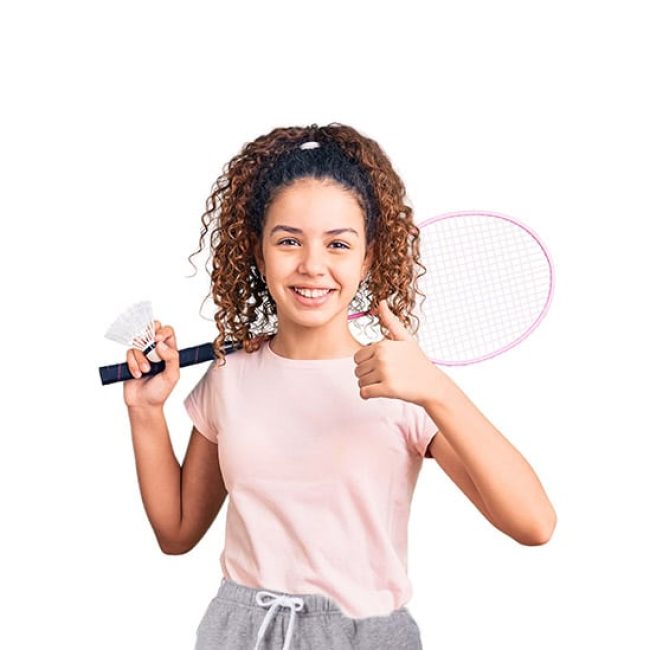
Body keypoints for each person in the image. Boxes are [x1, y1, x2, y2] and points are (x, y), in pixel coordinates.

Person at [123, 122, 557, 649]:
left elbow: (534, 524)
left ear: (367, 257)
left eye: (338, 244)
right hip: (241, 632)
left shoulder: (403, 384)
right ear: (258, 253)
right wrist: (146, 412)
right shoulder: (228, 375)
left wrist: (436, 389)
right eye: (288, 241)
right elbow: (177, 532)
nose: (312, 265)